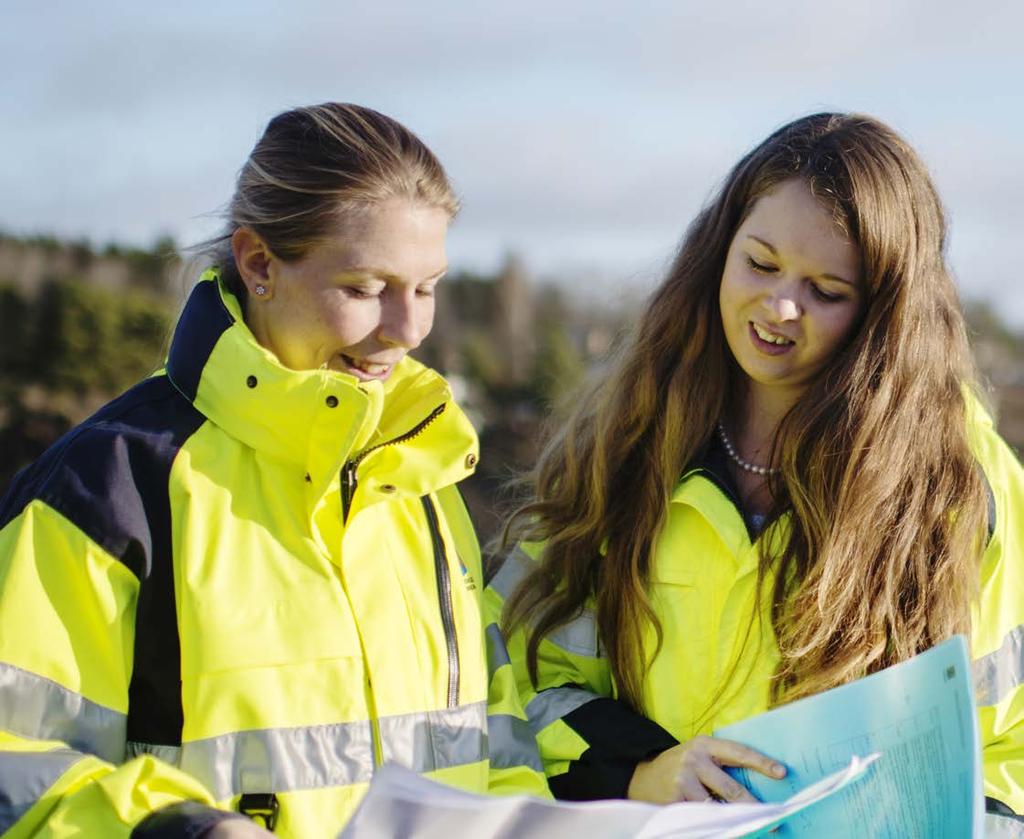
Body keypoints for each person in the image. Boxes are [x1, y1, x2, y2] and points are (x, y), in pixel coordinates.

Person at [0, 103, 547, 838]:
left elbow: (497, 744)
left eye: (426, 286)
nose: (409, 328)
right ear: (259, 263)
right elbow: (18, 772)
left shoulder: (423, 479)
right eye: (364, 287)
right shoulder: (108, 488)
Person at [487, 113, 1024, 821]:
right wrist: (643, 770)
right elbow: (521, 675)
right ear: (720, 248)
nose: (779, 306)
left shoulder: (961, 482)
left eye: (826, 291)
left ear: (886, 314)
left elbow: (1007, 738)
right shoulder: (624, 445)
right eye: (761, 263)